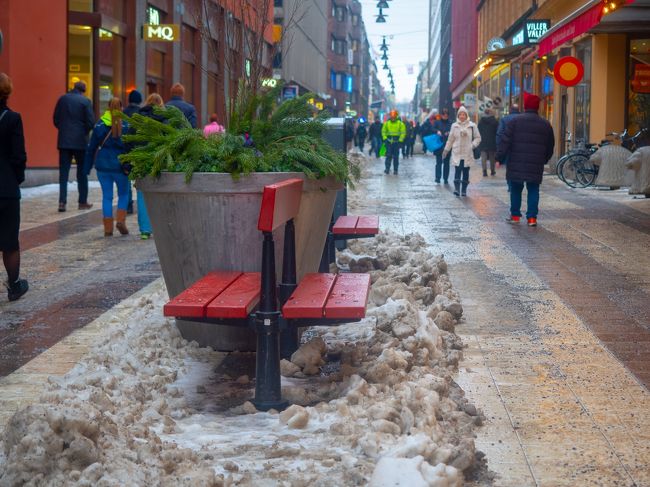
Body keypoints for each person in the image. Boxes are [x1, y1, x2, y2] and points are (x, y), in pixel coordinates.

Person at [497, 93, 554, 227]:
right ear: (537, 107)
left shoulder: (514, 122)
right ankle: (532, 218)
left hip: (516, 162)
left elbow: (505, 141)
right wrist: (543, 159)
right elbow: (550, 145)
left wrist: (500, 157)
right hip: (536, 163)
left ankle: (515, 215)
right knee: (533, 189)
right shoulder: (545, 124)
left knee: (516, 188)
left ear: (525, 106)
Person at [0, 73, 29, 301]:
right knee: (9, 241)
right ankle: (14, 286)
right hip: (6, 188)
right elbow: (19, 156)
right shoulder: (12, 118)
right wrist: (15, 179)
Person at [84, 97, 130, 237]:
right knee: (124, 194)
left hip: (103, 166)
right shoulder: (126, 125)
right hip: (120, 166)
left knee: (107, 197)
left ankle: (108, 228)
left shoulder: (99, 125)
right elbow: (130, 147)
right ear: (121, 108)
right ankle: (121, 221)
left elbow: (91, 148)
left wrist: (86, 168)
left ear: (108, 108)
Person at [53, 81, 95, 212]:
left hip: (64, 141)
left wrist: (64, 130)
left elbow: (55, 119)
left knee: (63, 173)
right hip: (80, 142)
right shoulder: (85, 101)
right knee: (81, 173)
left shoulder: (62, 99)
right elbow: (90, 122)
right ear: (83, 90)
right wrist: (83, 133)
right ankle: (82, 201)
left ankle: (62, 202)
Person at [132, 93, 166, 239]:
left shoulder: (139, 117)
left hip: (141, 158)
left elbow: (129, 138)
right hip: (160, 158)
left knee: (142, 193)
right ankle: (161, 226)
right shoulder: (165, 119)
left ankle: (145, 229)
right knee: (161, 191)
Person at [442, 106, 481, 197]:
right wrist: (446, 150)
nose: (462, 116)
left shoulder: (472, 126)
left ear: (466, 115)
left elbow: (478, 138)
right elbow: (450, 139)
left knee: (466, 172)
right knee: (458, 170)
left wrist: (473, 145)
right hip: (457, 153)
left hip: (468, 153)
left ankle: (463, 190)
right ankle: (456, 189)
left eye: (464, 114)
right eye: (460, 114)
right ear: (458, 115)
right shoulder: (454, 126)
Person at [123, 89, 143, 214]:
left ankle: (128, 204)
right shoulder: (141, 114)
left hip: (126, 148)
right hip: (139, 148)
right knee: (139, 177)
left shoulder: (124, 113)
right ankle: (141, 203)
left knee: (126, 178)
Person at [496, 104, 520, 193]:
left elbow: (499, 134)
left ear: (510, 110)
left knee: (509, 167)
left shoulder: (504, 119)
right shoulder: (522, 118)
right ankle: (516, 184)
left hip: (508, 147)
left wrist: (499, 147)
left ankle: (510, 185)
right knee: (518, 167)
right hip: (519, 148)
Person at [382, 110, 406, 175]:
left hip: (396, 142)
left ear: (396, 116)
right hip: (388, 142)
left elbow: (403, 133)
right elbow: (383, 131)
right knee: (388, 155)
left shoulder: (400, 124)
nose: (393, 118)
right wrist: (385, 139)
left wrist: (400, 141)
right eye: (392, 116)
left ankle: (395, 170)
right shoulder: (387, 123)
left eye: (394, 116)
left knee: (396, 157)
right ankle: (387, 169)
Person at [433, 108, 453, 184]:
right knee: (438, 162)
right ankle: (437, 178)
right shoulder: (437, 122)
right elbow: (432, 129)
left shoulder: (451, 123)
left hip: (447, 146)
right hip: (439, 145)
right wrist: (437, 131)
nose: (445, 116)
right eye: (444, 115)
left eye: (446, 115)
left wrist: (449, 132)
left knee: (446, 163)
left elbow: (453, 131)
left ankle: (445, 178)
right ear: (441, 115)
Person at [478, 108, 499, 177]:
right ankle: (492, 171)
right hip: (492, 141)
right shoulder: (495, 121)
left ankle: (484, 171)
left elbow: (478, 131)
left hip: (483, 141)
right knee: (492, 157)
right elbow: (497, 131)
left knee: (483, 157)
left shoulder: (481, 121)